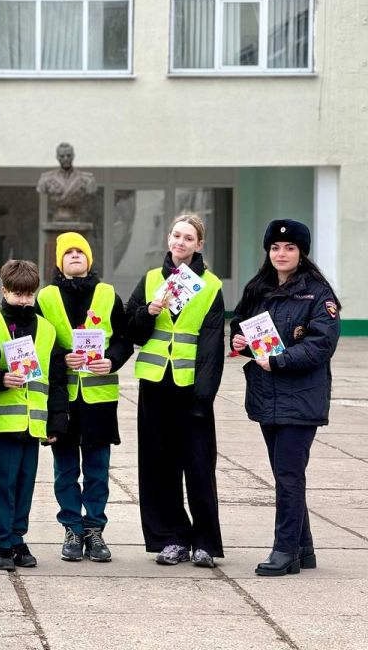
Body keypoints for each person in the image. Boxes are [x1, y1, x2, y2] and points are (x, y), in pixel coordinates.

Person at [230, 219, 340, 576]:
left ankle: (285, 550)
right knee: (285, 475)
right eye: (275, 248)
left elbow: (321, 344)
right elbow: (242, 326)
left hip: (301, 398)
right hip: (267, 397)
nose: (281, 254)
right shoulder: (259, 288)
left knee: (289, 476)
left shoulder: (319, 294)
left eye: (289, 248)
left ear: (301, 252)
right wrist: (240, 343)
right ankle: (303, 549)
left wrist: (278, 360)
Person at [126, 214, 225, 568]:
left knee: (198, 465)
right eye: (176, 235)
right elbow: (132, 330)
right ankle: (171, 539)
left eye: (188, 238)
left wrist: (204, 396)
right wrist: (149, 311)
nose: (180, 242)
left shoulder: (211, 286)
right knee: (158, 465)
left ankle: (205, 542)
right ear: (168, 239)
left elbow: (212, 346)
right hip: (155, 384)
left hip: (190, 389)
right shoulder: (152, 279)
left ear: (199, 244)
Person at [36, 233, 133, 562]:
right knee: (64, 469)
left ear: (89, 259)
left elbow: (124, 339)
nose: (75, 256)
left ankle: (94, 530)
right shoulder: (46, 297)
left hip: (99, 398)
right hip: (61, 399)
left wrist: (112, 359)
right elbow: (38, 343)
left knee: (97, 469)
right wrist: (61, 357)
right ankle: (72, 529)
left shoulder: (107, 293)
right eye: (69, 253)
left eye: (81, 251)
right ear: (60, 262)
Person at [0, 259, 68, 571]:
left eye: (29, 294)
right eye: (17, 294)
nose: (23, 299)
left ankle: (17, 537)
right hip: (2, 419)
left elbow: (57, 379)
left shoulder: (46, 329)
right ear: (4, 291)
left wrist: (58, 419)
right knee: (2, 483)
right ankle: (0, 542)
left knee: (24, 483)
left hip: (34, 421)